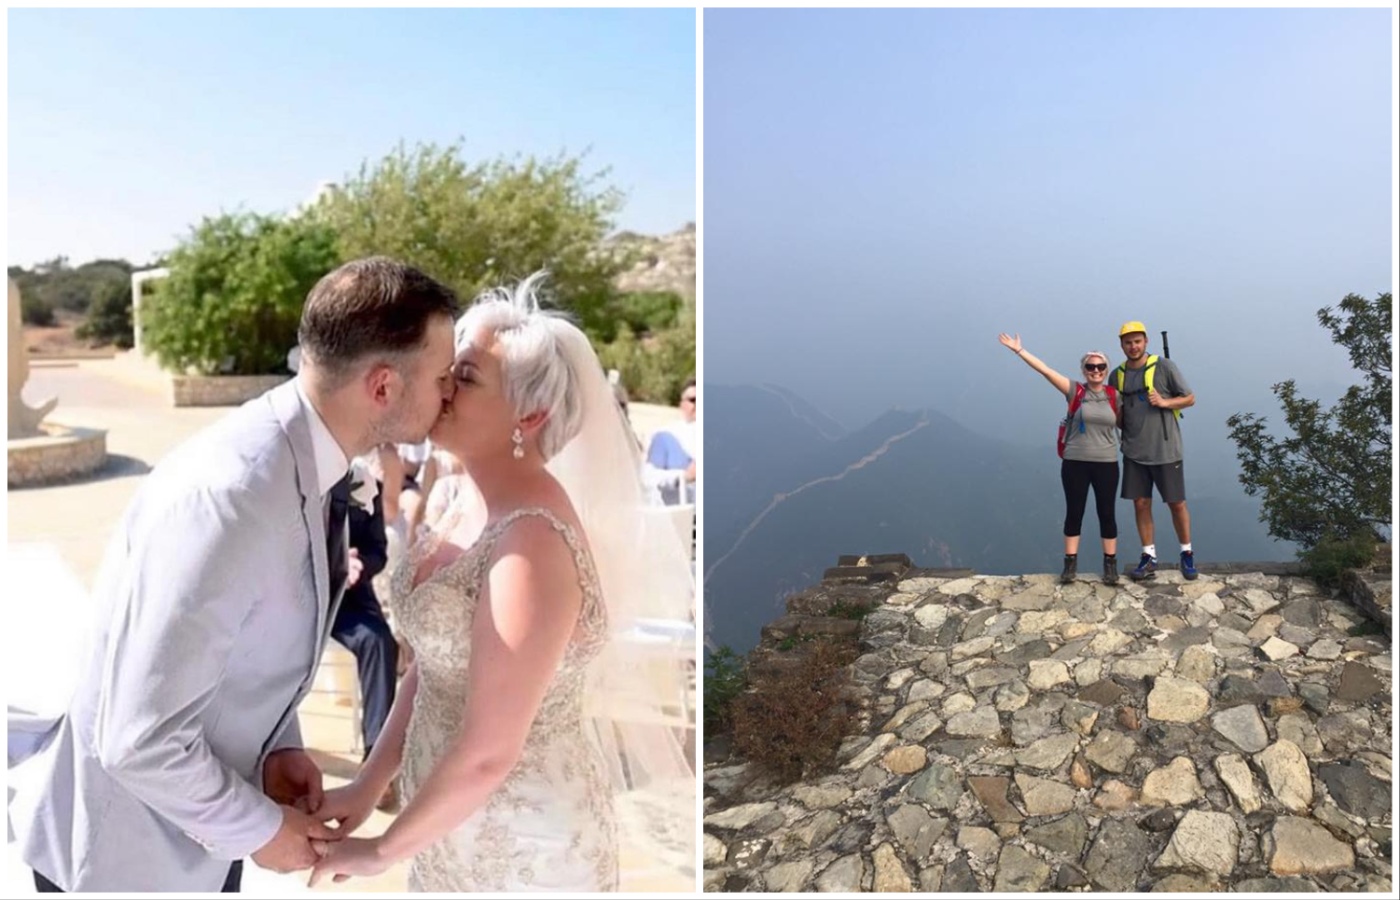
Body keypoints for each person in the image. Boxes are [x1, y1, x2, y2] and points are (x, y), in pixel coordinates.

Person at [11, 257, 459, 892]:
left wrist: (277, 747)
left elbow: (251, 637)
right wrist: (260, 831)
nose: (448, 392)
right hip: (123, 860)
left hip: (190, 839)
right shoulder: (234, 499)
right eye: (442, 375)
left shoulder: (305, 454)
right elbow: (137, 740)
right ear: (383, 387)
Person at [307, 272, 694, 892]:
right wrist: (370, 782)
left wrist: (380, 851)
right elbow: (432, 668)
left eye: (465, 377)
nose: (442, 388)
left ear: (530, 413)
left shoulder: (531, 543)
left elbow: (490, 751)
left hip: (522, 842)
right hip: (448, 820)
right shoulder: (463, 501)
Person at [999, 334, 1123, 585]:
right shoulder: (1074, 391)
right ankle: (1070, 564)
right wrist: (1019, 351)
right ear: (1084, 370)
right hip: (1075, 462)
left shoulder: (1115, 395)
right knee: (1074, 512)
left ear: (1106, 370)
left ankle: (1110, 565)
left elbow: (1132, 419)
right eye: (1091, 367)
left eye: (1100, 367)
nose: (1096, 371)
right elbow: (1045, 370)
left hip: (1107, 463)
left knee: (1107, 513)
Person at [330, 456, 401, 811]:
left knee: (380, 641)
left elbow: (379, 552)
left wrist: (359, 565)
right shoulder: (301, 478)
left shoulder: (365, 484)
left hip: (351, 601)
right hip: (301, 600)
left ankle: (376, 760)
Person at [1114, 321, 1197, 580]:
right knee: (1141, 503)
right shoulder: (1117, 374)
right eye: (1128, 342)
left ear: (1146, 342)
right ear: (1122, 345)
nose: (1133, 346)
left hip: (1165, 448)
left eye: (1137, 341)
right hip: (1134, 450)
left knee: (1176, 503)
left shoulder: (1164, 367)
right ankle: (1149, 556)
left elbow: (1190, 398)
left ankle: (1187, 553)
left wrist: (1164, 402)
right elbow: (1119, 413)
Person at [644, 377, 697, 505]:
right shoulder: (665, 436)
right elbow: (648, 478)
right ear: (682, 405)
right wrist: (684, 476)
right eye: (693, 400)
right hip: (680, 517)